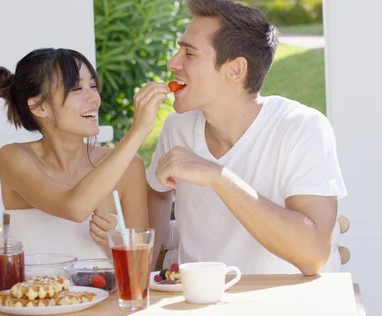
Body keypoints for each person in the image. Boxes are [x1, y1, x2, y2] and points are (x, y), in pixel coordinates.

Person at [146, 0, 346, 275]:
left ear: (235, 70)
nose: (173, 63)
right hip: (200, 301)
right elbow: (156, 193)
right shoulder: (177, 127)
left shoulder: (301, 128)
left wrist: (218, 177)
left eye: (189, 53)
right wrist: (143, 269)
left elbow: (313, 254)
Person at [0, 48, 166, 259]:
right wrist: (138, 130)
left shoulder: (129, 167)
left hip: (102, 292)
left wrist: (114, 243)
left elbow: (141, 266)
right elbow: (74, 207)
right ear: (39, 107)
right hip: (32, 291)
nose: (94, 98)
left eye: (92, 86)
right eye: (76, 89)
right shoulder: (13, 157)